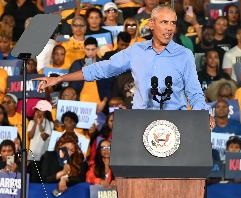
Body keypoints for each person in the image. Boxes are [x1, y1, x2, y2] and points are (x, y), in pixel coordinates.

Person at [36, 5, 215, 127]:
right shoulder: (136, 51)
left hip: (177, 124)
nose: (169, 28)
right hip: (141, 123)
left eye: (173, 23)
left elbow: (194, 92)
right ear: (151, 24)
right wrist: (59, 78)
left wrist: (204, 113)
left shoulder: (184, 55)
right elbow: (101, 69)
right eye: (164, 22)